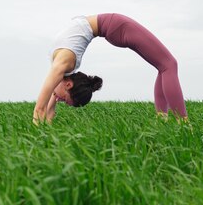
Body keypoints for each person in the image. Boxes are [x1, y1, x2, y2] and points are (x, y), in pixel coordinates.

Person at [33, 13, 188, 124]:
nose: (59, 100)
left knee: (167, 66)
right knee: (167, 66)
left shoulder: (63, 65)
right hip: (113, 26)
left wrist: (38, 130)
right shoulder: (63, 71)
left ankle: (174, 122)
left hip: (117, 26)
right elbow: (49, 109)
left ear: (69, 84)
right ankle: (173, 122)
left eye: (65, 100)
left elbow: (40, 110)